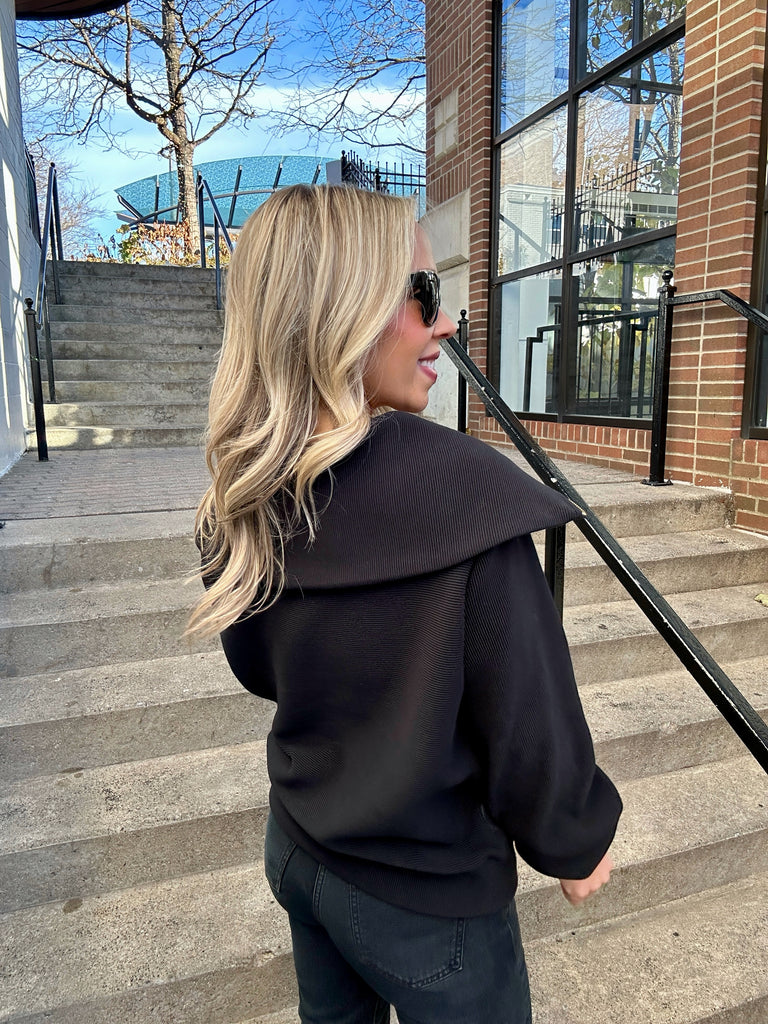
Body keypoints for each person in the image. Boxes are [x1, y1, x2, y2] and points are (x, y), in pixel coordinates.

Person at [188, 184, 622, 1024]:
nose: (446, 323)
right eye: (424, 294)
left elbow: (259, 669)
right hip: (428, 898)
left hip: (301, 846)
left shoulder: (247, 496)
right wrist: (573, 838)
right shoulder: (466, 496)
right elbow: (527, 709)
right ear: (344, 313)